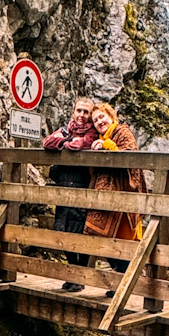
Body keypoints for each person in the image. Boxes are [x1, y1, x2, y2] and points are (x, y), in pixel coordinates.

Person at [84, 103, 146, 295]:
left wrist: (108, 146)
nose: (100, 122)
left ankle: (125, 286)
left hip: (124, 198)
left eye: (102, 117)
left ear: (111, 116)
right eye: (95, 120)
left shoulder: (122, 132)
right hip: (106, 199)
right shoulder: (100, 139)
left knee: (124, 242)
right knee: (103, 239)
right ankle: (121, 281)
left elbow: (130, 156)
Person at [43, 97, 99, 290]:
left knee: (81, 235)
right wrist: (67, 140)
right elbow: (48, 142)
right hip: (64, 188)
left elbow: (83, 144)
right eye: (79, 111)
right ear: (73, 112)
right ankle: (72, 274)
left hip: (83, 189)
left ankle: (80, 277)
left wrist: (68, 144)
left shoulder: (93, 133)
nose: (82, 115)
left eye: (86, 112)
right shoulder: (67, 129)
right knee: (64, 233)